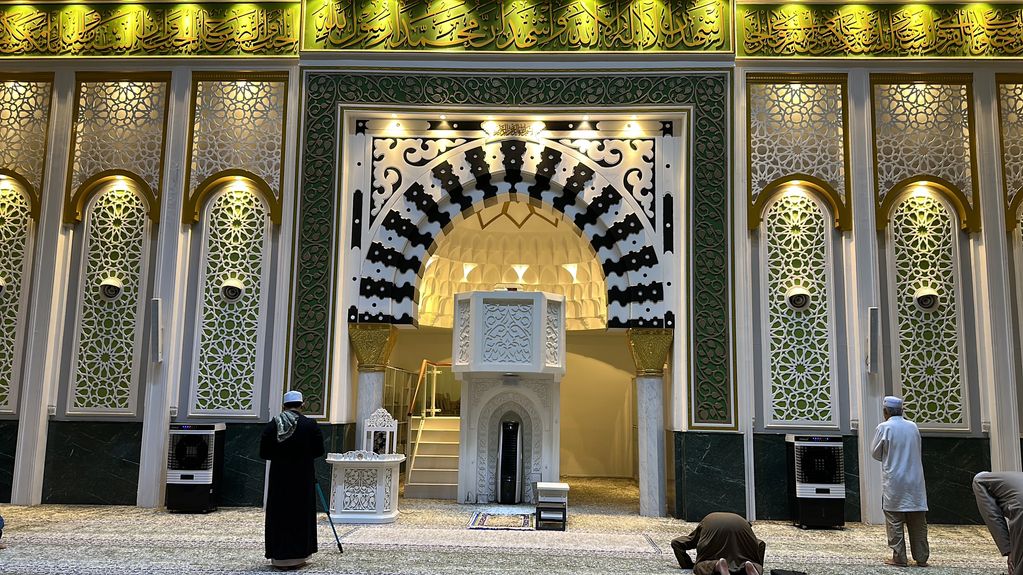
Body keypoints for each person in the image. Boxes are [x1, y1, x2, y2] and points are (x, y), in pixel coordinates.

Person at [260, 390, 326, 570]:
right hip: (302, 478)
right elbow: (319, 451)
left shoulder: (273, 425)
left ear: (284, 406)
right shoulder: (309, 425)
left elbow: (264, 453)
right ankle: (299, 555)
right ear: (302, 405)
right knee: (300, 513)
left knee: (279, 513)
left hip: (279, 478)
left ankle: (279, 556)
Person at [870, 395, 929, 567]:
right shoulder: (913, 427)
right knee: (918, 520)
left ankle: (899, 558)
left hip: (895, 480)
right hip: (915, 481)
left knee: (894, 519)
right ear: (902, 410)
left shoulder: (884, 428)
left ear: (885, 411)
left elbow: (875, 453)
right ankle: (922, 558)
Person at [670, 512, 766, 575]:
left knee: (700, 567)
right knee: (749, 562)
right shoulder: (741, 520)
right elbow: (761, 544)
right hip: (742, 524)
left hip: (713, 527)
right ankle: (751, 566)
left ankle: (717, 564)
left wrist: (688, 565)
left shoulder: (707, 521)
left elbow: (677, 543)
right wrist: (757, 562)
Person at [973, 471, 1023, 575]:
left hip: (1020, 508)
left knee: (1018, 565)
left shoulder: (981, 480)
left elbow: (992, 516)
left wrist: (1009, 550)